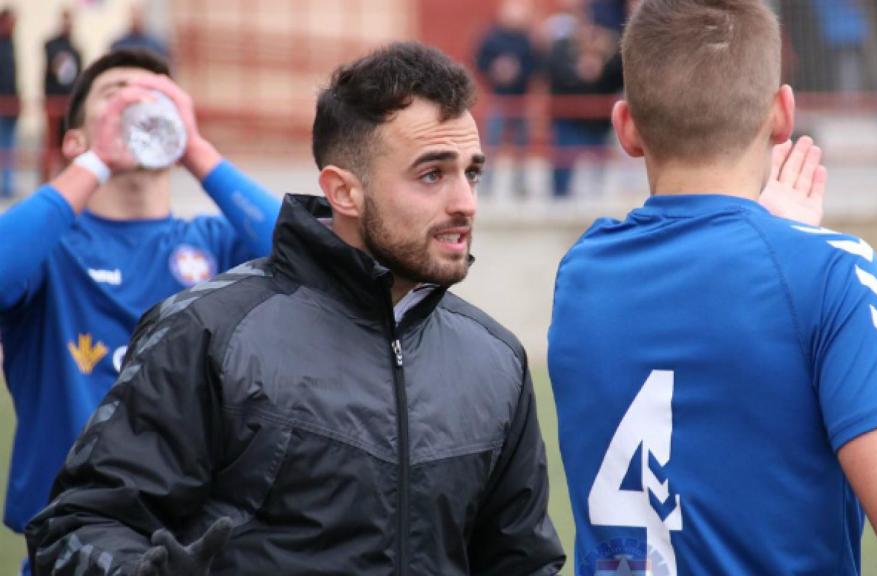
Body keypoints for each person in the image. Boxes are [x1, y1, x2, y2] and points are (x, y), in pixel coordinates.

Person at [26, 42, 565, 576]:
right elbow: (77, 528)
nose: (464, 202)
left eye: (472, 173)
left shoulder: (497, 361)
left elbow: (524, 563)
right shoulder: (207, 332)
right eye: (432, 174)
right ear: (343, 192)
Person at [549, 0, 877, 574]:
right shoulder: (830, 272)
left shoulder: (581, 272)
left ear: (625, 126)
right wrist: (779, 244)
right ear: (782, 113)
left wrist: (763, 234)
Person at [1, 48, 280, 575]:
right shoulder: (51, 248)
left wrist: (197, 151)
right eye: (116, 95)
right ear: (75, 139)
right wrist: (96, 162)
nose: (137, 103)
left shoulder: (215, 245)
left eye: (154, 95)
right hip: (70, 550)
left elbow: (311, 256)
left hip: (190, 550)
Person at [545, 15, 622, 198]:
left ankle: (595, 197)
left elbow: (619, 78)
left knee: (598, 167)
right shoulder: (562, 48)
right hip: (567, 118)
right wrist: (577, 72)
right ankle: (560, 196)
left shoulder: (612, 52)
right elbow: (552, 73)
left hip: (598, 122)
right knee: (562, 164)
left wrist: (605, 61)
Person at [474, 0, 537, 196]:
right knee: (491, 144)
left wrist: (517, 72)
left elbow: (536, 67)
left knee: (521, 145)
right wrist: (496, 70)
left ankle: (520, 184)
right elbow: (480, 62)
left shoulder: (528, 40)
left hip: (520, 100)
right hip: (498, 99)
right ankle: (487, 185)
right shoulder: (491, 38)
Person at [42, 8, 83, 180]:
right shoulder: (51, 46)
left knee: (68, 143)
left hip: (69, 104)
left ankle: (68, 179)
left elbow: (79, 76)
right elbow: (52, 68)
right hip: (53, 102)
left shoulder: (76, 49)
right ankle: (49, 180)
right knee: (51, 146)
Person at [0, 7, 18, 198]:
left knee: (9, 145)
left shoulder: (10, 43)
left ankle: (7, 185)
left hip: (11, 104)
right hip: (2, 103)